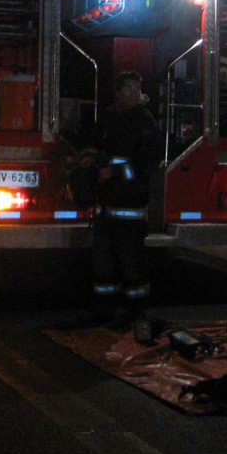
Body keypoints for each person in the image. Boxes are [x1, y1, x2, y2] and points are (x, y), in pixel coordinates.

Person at [75, 70, 161, 322]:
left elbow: (148, 164)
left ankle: (135, 312)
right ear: (117, 93)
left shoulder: (146, 122)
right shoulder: (108, 117)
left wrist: (113, 172)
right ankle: (103, 308)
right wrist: (88, 158)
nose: (135, 93)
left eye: (137, 88)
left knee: (131, 261)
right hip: (106, 205)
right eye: (129, 88)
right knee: (103, 262)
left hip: (131, 205)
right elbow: (93, 141)